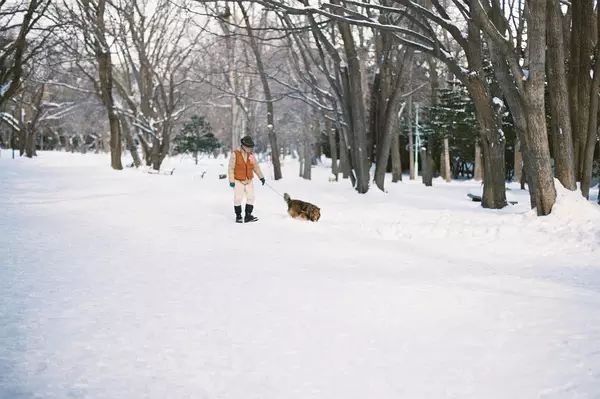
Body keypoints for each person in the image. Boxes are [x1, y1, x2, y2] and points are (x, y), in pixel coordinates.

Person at [228, 135, 265, 223]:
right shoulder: (235, 154)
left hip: (249, 180)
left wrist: (261, 177)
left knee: (251, 198)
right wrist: (232, 181)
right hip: (238, 180)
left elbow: (256, 167)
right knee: (238, 198)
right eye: (249, 147)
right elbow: (231, 168)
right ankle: (238, 216)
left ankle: (248, 215)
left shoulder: (251, 155)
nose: (250, 149)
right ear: (243, 146)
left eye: (251, 147)